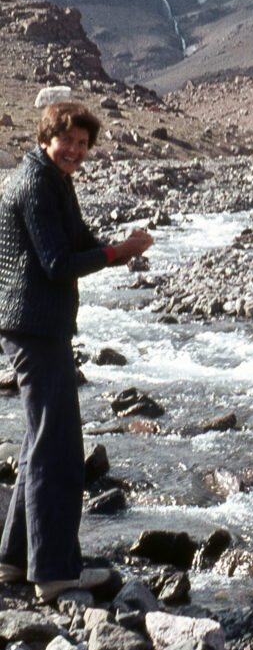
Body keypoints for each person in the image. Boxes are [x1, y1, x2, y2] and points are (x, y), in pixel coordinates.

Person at [0, 101, 153, 601]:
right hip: (35, 328)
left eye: (84, 144)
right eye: (68, 140)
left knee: (39, 441)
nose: (76, 151)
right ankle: (54, 571)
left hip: (38, 326)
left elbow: (81, 242)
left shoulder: (52, 179)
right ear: (47, 137)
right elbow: (57, 263)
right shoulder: (35, 184)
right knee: (59, 449)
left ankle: (15, 560)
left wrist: (117, 248)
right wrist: (118, 254)